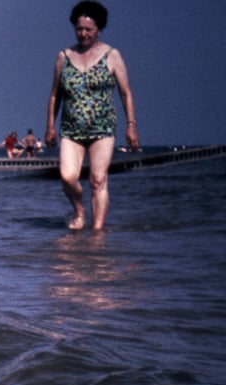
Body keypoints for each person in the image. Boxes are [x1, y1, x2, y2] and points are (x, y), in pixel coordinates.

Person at [46, 0, 138, 230]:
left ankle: (97, 235)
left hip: (102, 128)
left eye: (89, 29)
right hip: (70, 129)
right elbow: (55, 95)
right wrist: (49, 126)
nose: (83, 33)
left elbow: (126, 93)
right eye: (79, 29)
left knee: (98, 180)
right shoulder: (64, 56)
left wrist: (131, 125)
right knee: (67, 177)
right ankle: (79, 210)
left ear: (99, 29)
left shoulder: (112, 55)